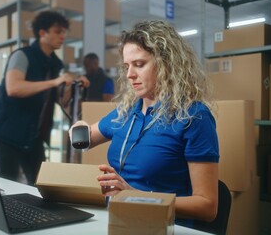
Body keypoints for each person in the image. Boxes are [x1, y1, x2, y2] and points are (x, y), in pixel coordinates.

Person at [70, 20, 219, 228]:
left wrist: (135, 196)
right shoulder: (127, 112)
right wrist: (78, 126)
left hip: (163, 226)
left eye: (139, 64)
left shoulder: (193, 117)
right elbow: (86, 138)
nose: (130, 74)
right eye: (126, 66)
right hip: (119, 219)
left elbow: (207, 206)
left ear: (167, 63)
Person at [0, 10, 89, 185]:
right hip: (8, 135)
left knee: (40, 186)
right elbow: (13, 88)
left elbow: (61, 100)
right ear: (42, 33)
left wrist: (75, 86)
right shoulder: (22, 55)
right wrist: (54, 82)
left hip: (34, 137)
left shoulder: (55, 64)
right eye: (58, 31)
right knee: (7, 185)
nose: (62, 36)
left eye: (64, 32)